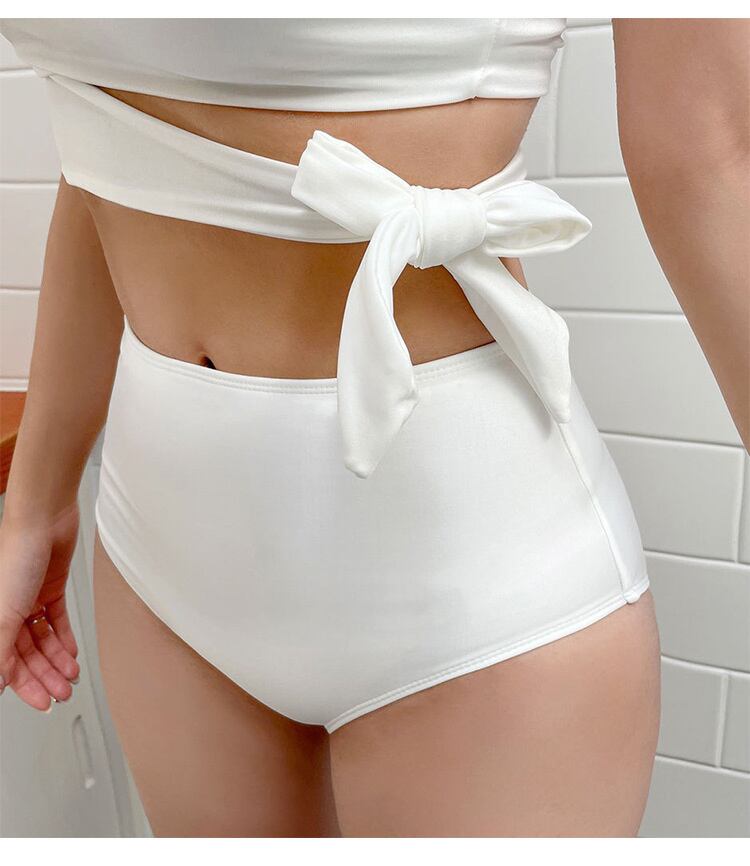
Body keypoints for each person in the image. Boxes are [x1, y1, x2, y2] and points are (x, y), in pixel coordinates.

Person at [0, 18, 746, 837]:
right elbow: (106, 154)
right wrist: (36, 503)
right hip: (160, 563)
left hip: (472, 577)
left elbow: (716, 151)